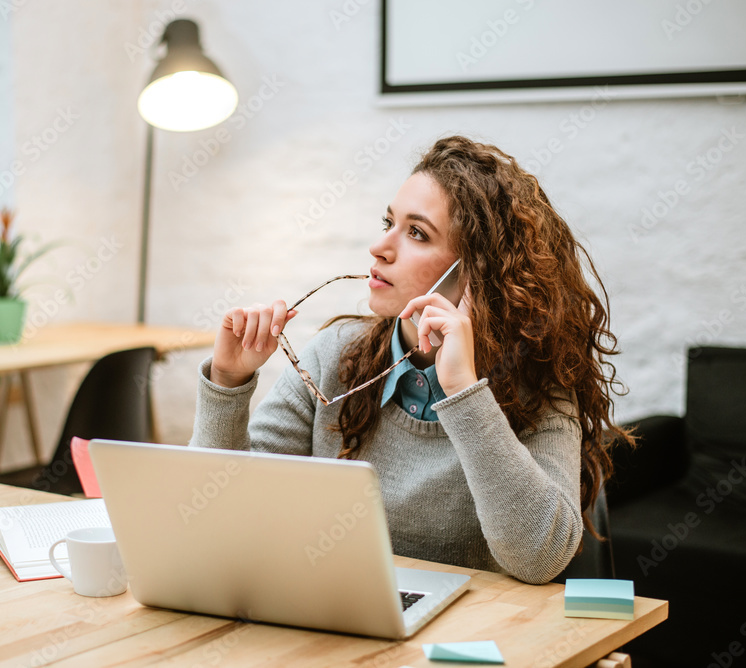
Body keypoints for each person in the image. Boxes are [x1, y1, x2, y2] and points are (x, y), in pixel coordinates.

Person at [188, 135, 632, 585]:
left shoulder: (539, 391)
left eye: (417, 233)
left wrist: (463, 390)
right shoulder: (332, 356)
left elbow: (540, 558)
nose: (380, 247)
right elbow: (220, 519)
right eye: (389, 221)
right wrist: (227, 382)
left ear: (478, 272)